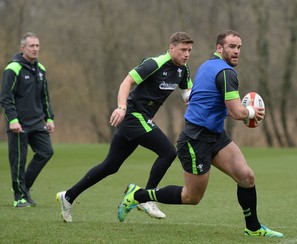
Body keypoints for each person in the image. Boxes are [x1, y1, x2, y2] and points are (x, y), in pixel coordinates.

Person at [117, 30, 284, 238]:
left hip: (215, 135)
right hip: (195, 140)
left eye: (239, 47)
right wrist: (252, 112)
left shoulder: (208, 65)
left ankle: (253, 228)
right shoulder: (226, 73)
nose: (236, 51)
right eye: (232, 47)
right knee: (191, 196)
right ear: (219, 48)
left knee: (246, 177)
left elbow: (201, 98)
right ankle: (138, 195)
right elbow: (235, 112)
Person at [56, 32, 194, 223]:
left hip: (139, 119)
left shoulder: (183, 70)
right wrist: (121, 107)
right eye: (183, 50)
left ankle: (68, 196)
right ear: (171, 48)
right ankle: (145, 198)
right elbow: (126, 82)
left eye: (189, 50)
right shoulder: (154, 64)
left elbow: (187, 94)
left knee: (110, 166)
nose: (187, 54)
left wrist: (199, 100)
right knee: (169, 152)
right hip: (133, 115)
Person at [0, 32, 55, 208]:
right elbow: (5, 97)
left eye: (37, 46)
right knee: (19, 160)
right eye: (31, 46)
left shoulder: (41, 70)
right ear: (22, 48)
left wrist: (49, 118)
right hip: (19, 124)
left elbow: (44, 97)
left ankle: (24, 188)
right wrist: (13, 119)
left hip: (38, 122)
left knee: (46, 152)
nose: (35, 49)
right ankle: (19, 197)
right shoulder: (13, 69)